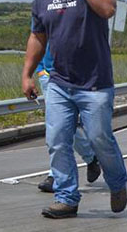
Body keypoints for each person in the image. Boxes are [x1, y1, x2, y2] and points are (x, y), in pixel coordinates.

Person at [22, 0, 127, 219]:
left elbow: (107, 9)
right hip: (59, 82)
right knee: (57, 139)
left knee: (98, 138)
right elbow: (37, 36)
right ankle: (67, 197)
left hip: (95, 83)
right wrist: (27, 74)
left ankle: (117, 183)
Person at [35, 42, 100, 193]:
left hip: (74, 76)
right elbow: (38, 38)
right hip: (48, 76)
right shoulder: (44, 17)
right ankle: (90, 158)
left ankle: (57, 177)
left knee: (62, 127)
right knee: (59, 127)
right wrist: (39, 70)